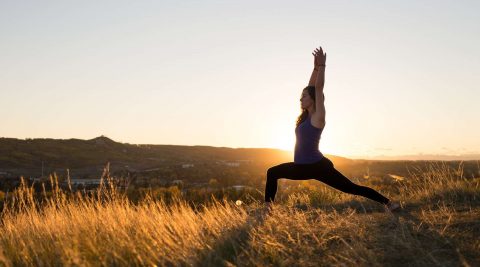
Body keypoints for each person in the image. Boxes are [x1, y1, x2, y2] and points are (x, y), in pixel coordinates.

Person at [263, 46, 400, 213]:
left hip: (318, 167)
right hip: (301, 167)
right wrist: (314, 68)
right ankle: (268, 209)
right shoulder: (305, 116)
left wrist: (322, 67)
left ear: (313, 100)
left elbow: (318, 89)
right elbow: (311, 86)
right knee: (272, 172)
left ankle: (389, 203)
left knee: (351, 188)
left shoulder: (317, 117)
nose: (301, 98)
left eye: (304, 96)